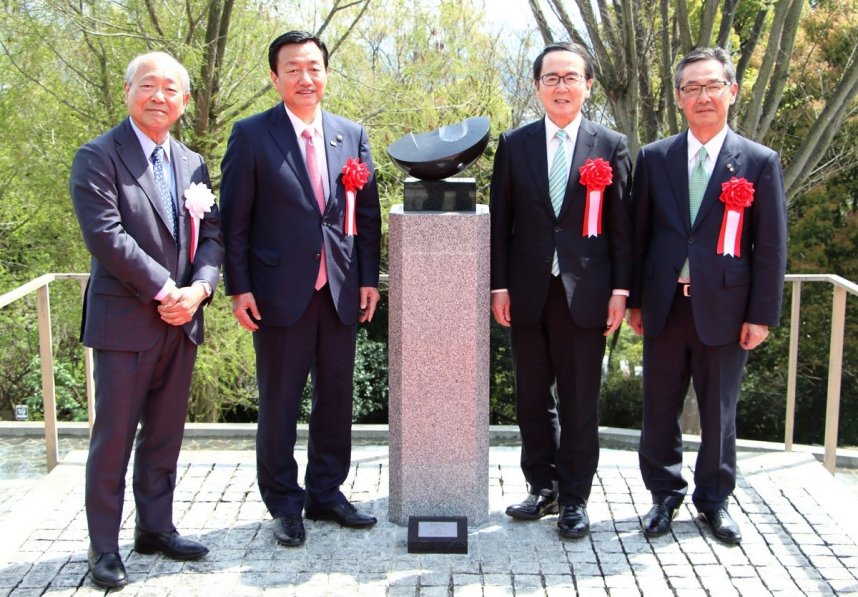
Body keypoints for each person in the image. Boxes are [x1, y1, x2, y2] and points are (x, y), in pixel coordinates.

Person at [220, 31, 382, 547]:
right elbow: (234, 220)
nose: (304, 78)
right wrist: (237, 286)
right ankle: (285, 503)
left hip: (338, 291)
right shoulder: (251, 135)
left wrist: (367, 279)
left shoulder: (350, 134)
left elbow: (369, 219)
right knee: (280, 402)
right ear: (275, 77)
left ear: (326, 74)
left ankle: (327, 492)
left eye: (313, 67)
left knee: (336, 398)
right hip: (276, 292)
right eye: (293, 69)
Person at [70, 52, 224, 588]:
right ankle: (104, 548)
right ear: (129, 90)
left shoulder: (192, 163)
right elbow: (106, 236)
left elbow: (215, 236)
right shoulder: (98, 156)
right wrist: (167, 290)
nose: (159, 96)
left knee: (164, 434)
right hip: (126, 322)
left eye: (170, 89)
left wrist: (200, 289)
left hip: (181, 320)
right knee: (113, 438)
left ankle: (156, 528)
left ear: (184, 102)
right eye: (148, 85)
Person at [628, 47, 787, 545]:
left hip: (727, 309)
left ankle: (713, 500)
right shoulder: (655, 158)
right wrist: (635, 299)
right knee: (658, 408)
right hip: (665, 305)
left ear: (731, 92)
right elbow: (639, 236)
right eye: (691, 88)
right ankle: (663, 496)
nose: (703, 96)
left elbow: (770, 246)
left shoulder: (759, 162)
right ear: (678, 97)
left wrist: (761, 314)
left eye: (712, 86)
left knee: (720, 413)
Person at [490, 42, 633, 539]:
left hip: (587, 292)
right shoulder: (515, 143)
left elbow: (622, 228)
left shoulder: (610, 144)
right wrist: (499, 286)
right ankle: (542, 486)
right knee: (532, 397)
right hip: (527, 291)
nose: (561, 86)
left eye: (571, 77)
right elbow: (501, 223)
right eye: (551, 78)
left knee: (578, 401)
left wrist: (621, 290)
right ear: (537, 87)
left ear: (587, 85)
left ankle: (575, 498)